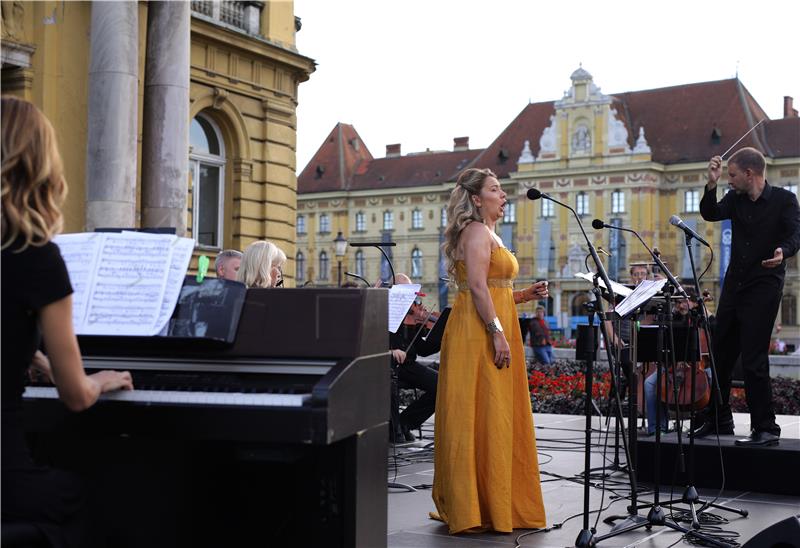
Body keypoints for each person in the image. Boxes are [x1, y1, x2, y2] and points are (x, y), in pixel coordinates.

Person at [1, 96, 134, 546]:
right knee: (95, 495)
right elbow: (76, 397)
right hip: (6, 479)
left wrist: (31, 355)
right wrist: (101, 379)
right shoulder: (37, 257)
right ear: (40, 165)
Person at [432, 167, 548, 534]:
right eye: (496, 189)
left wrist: (524, 295)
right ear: (477, 198)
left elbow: (490, 290)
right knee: (480, 412)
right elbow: (478, 289)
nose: (504, 195)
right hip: (477, 332)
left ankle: (488, 501)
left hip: (485, 324)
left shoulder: (489, 233)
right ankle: (477, 505)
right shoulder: (478, 231)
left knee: (490, 412)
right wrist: (497, 332)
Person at [694, 148, 800, 447]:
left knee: (753, 357)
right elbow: (710, 213)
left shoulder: (784, 200)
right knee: (721, 353)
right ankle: (719, 418)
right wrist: (711, 184)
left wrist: (783, 251)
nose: (729, 180)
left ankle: (765, 428)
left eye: (731, 175)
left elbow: (796, 233)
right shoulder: (734, 199)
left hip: (765, 285)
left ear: (749, 174)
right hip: (735, 284)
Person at [388, 274, 439, 443]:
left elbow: (423, 350)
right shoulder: (384, 312)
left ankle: (404, 423)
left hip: (408, 365)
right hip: (389, 365)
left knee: (441, 385)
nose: (415, 303)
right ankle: (395, 428)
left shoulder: (411, 318)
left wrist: (442, 339)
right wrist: (391, 350)